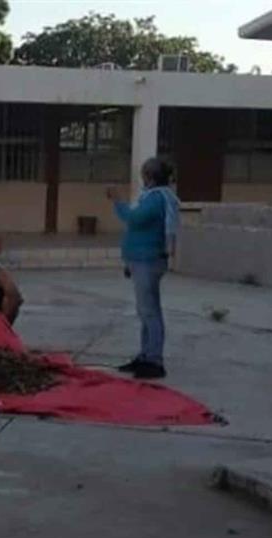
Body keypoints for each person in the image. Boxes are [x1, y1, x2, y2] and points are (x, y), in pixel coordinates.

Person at [107, 157, 180, 380]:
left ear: (149, 177)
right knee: (146, 310)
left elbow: (135, 219)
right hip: (140, 260)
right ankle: (146, 355)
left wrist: (118, 200)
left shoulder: (157, 198)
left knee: (149, 311)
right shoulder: (153, 197)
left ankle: (154, 360)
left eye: (144, 174)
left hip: (148, 260)